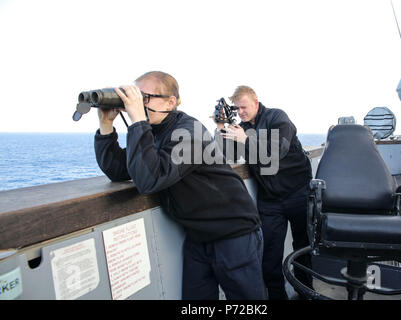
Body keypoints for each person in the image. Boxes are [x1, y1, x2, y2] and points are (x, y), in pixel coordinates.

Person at [94, 71, 266, 300]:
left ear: (170, 102)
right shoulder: (153, 132)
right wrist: (106, 125)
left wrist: (138, 122)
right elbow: (119, 170)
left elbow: (149, 179)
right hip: (198, 236)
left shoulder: (189, 132)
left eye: (144, 97)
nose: (137, 103)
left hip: (233, 233)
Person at [215, 85, 313, 300]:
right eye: (237, 108)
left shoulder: (277, 117)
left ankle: (306, 295)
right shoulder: (241, 129)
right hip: (270, 199)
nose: (240, 112)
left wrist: (246, 140)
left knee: (302, 250)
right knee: (269, 256)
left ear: (256, 103)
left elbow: (277, 152)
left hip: (298, 193)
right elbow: (229, 156)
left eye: (244, 107)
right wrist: (222, 127)